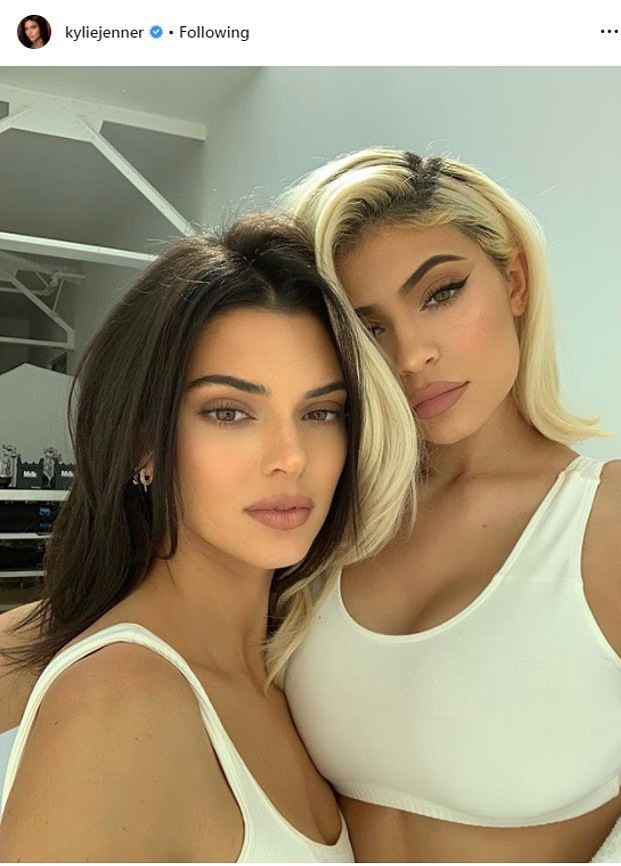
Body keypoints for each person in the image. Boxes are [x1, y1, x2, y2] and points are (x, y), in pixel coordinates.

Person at [0, 213, 419, 862]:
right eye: (229, 412)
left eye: (321, 412)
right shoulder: (120, 703)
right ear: (143, 445)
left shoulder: (297, 668)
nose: (292, 458)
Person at [280, 147, 621, 863]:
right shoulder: (329, 521)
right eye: (369, 328)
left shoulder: (613, 519)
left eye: (440, 294)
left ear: (515, 282)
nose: (411, 356)